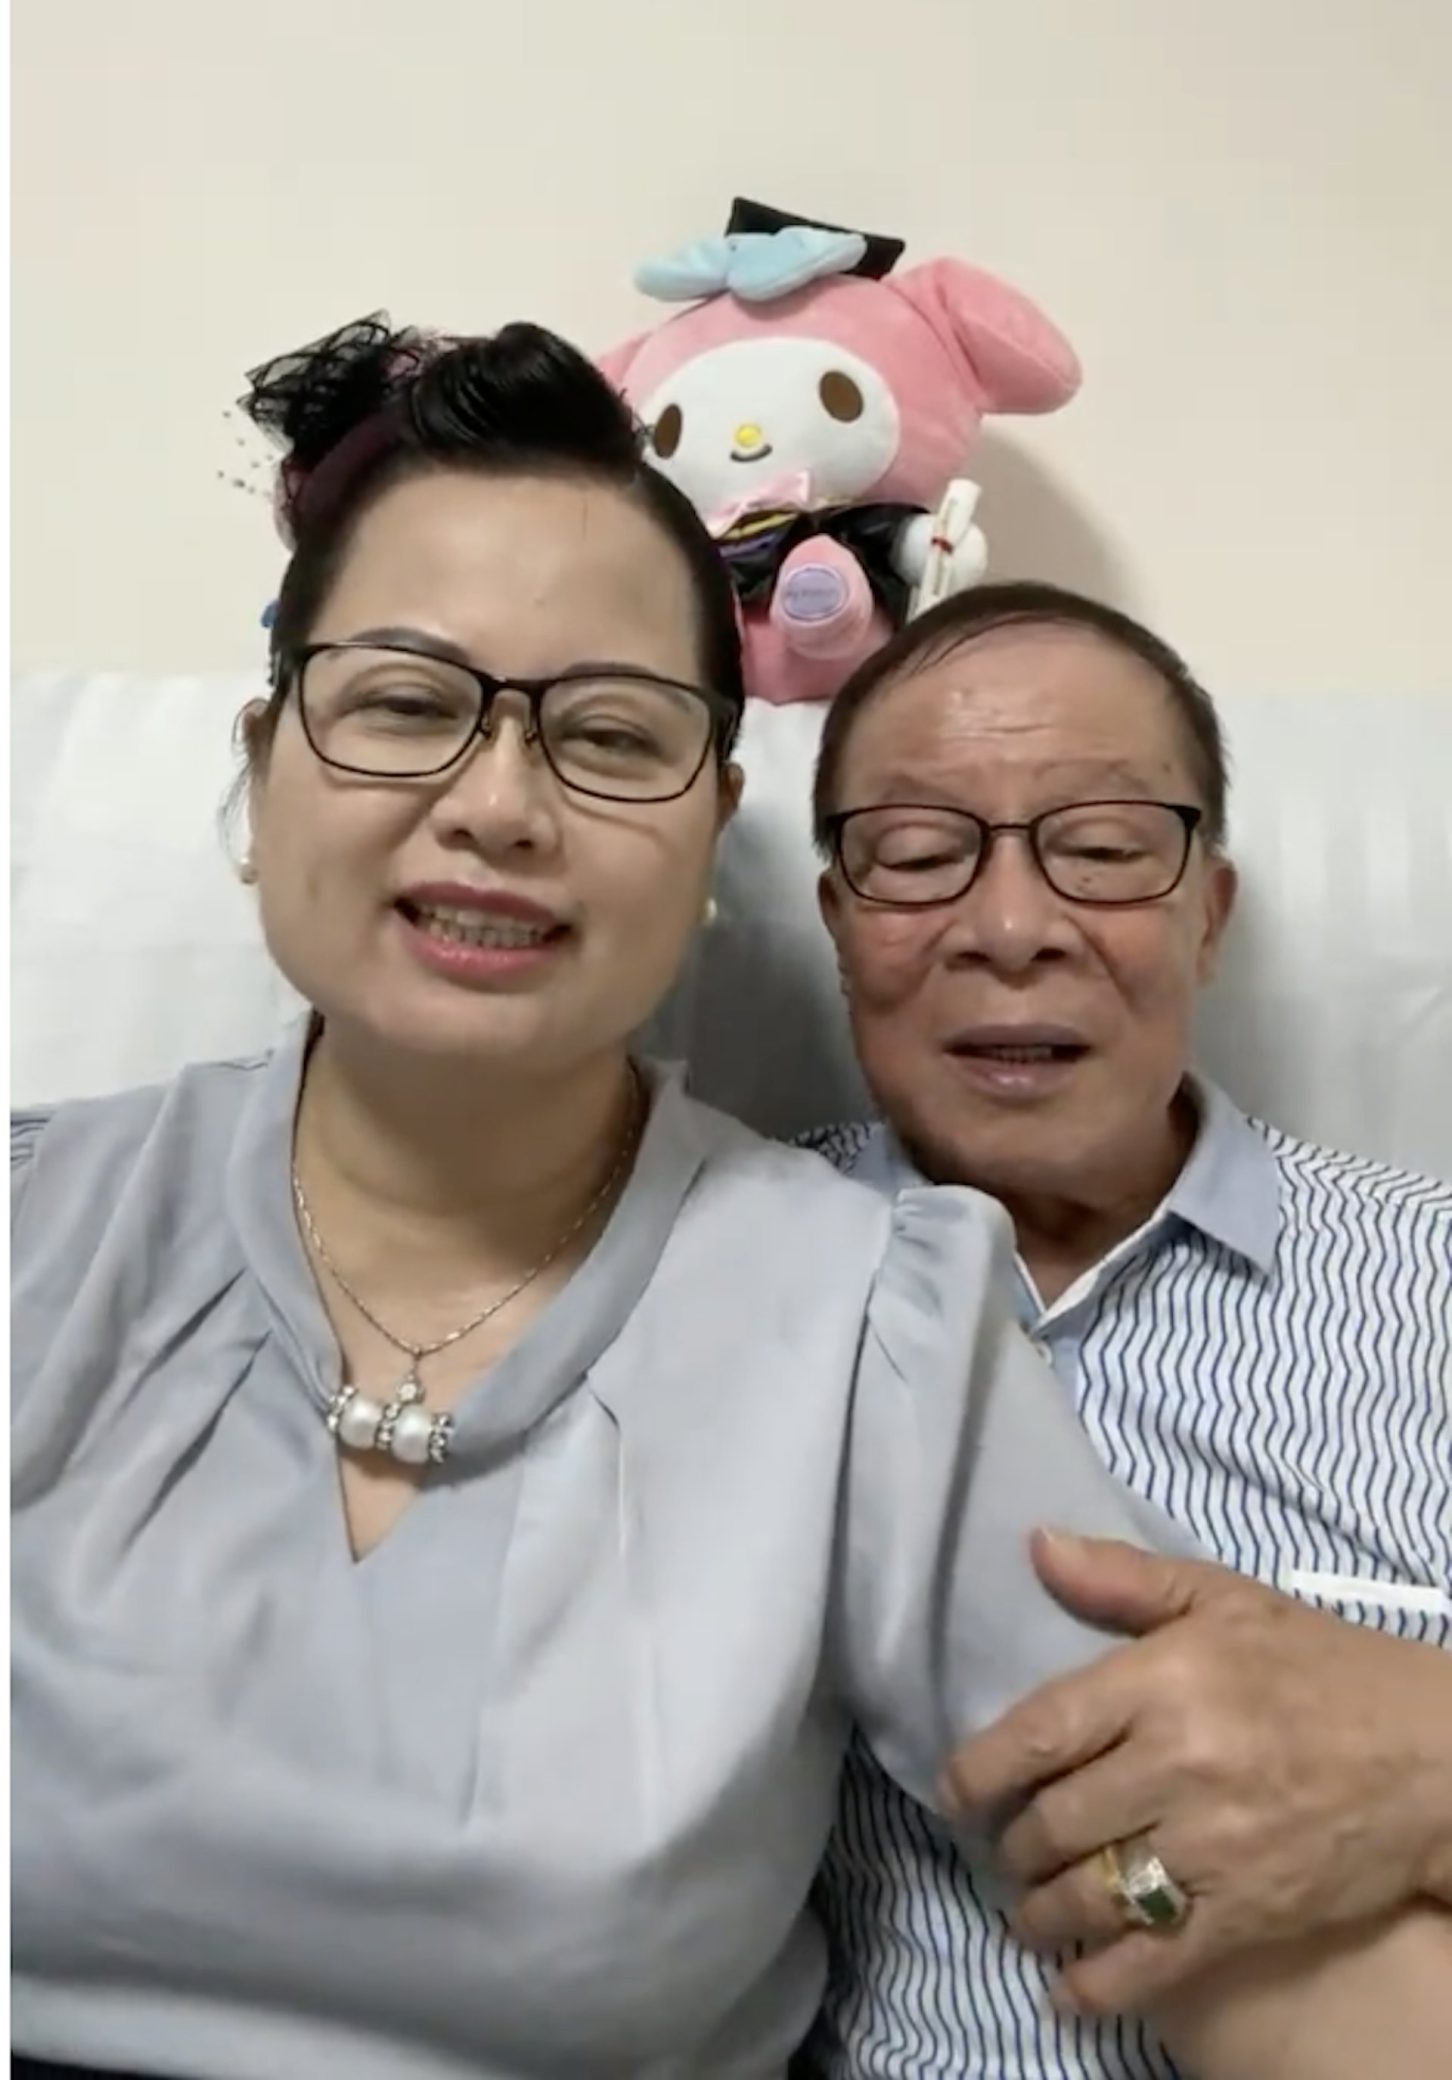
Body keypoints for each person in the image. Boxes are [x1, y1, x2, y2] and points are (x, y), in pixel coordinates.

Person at [11, 320, 1443, 2080]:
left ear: (709, 828)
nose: (498, 805)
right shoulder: (38, 1230)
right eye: (405, 703)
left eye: (611, 736)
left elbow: (1230, 1915)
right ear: (266, 758)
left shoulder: (870, 1322)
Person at [795, 579, 1452, 2079]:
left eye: (1100, 849)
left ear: (1208, 914)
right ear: (838, 923)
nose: (1010, 928)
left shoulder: (1431, 1278)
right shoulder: (722, 1270)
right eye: (918, 855)